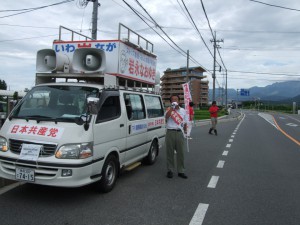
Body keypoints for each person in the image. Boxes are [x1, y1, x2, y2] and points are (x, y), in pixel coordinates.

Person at [165, 95, 188, 179]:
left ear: (179, 101)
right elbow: (166, 117)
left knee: (181, 153)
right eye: (173, 100)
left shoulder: (183, 111)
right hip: (170, 132)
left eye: (176, 99)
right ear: (171, 102)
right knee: (169, 152)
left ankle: (181, 171)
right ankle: (170, 170)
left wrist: (185, 133)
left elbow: (184, 123)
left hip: (179, 133)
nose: (174, 101)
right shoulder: (168, 109)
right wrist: (172, 108)